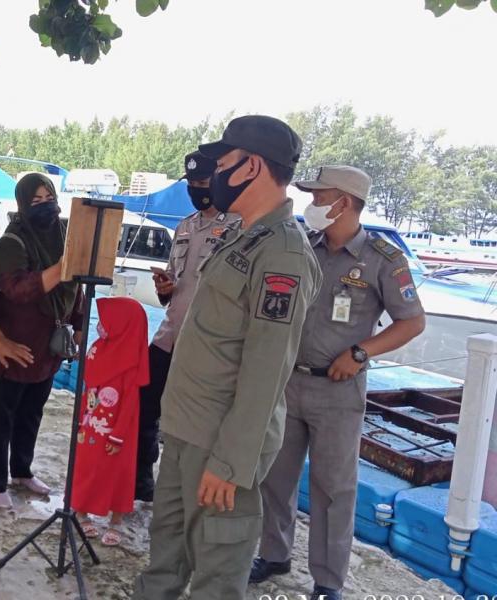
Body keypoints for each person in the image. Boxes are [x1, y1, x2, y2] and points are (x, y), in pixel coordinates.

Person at [132, 114, 323, 600]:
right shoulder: (241, 235)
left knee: (215, 579)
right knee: (164, 562)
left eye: (224, 163)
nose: (213, 175)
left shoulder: (283, 254)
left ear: (251, 167)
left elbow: (267, 369)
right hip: (183, 429)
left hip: (219, 447)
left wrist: (232, 462)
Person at [251, 166, 426, 600]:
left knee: (333, 487)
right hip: (289, 381)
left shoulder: (382, 259)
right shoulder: (303, 246)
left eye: (319, 197)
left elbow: (412, 322)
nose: (312, 205)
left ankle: (328, 580)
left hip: (338, 391)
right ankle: (275, 554)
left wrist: (361, 352)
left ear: (343, 203)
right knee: (275, 476)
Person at [0, 172, 84, 510]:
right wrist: (63, 266)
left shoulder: (66, 237)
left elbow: (75, 287)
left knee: (31, 413)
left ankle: (21, 470)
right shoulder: (12, 242)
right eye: (35, 201)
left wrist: (78, 325)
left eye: (48, 198)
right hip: (7, 348)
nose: (44, 205)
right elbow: (18, 290)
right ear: (22, 205)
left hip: (44, 349)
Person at [135, 150, 239, 501]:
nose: (197, 189)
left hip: (204, 348)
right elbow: (175, 287)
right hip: (168, 338)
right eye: (192, 184)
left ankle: (183, 490)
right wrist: (165, 289)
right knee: (144, 410)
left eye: (203, 183)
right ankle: (142, 483)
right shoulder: (185, 226)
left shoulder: (238, 228)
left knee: (189, 424)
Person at [72, 297, 149, 547]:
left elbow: (130, 403)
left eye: (106, 321)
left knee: (118, 472)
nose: (100, 325)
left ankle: (116, 520)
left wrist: (118, 434)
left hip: (119, 429)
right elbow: (88, 383)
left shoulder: (131, 360)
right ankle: (80, 510)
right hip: (90, 422)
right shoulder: (98, 348)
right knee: (85, 466)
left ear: (123, 325)